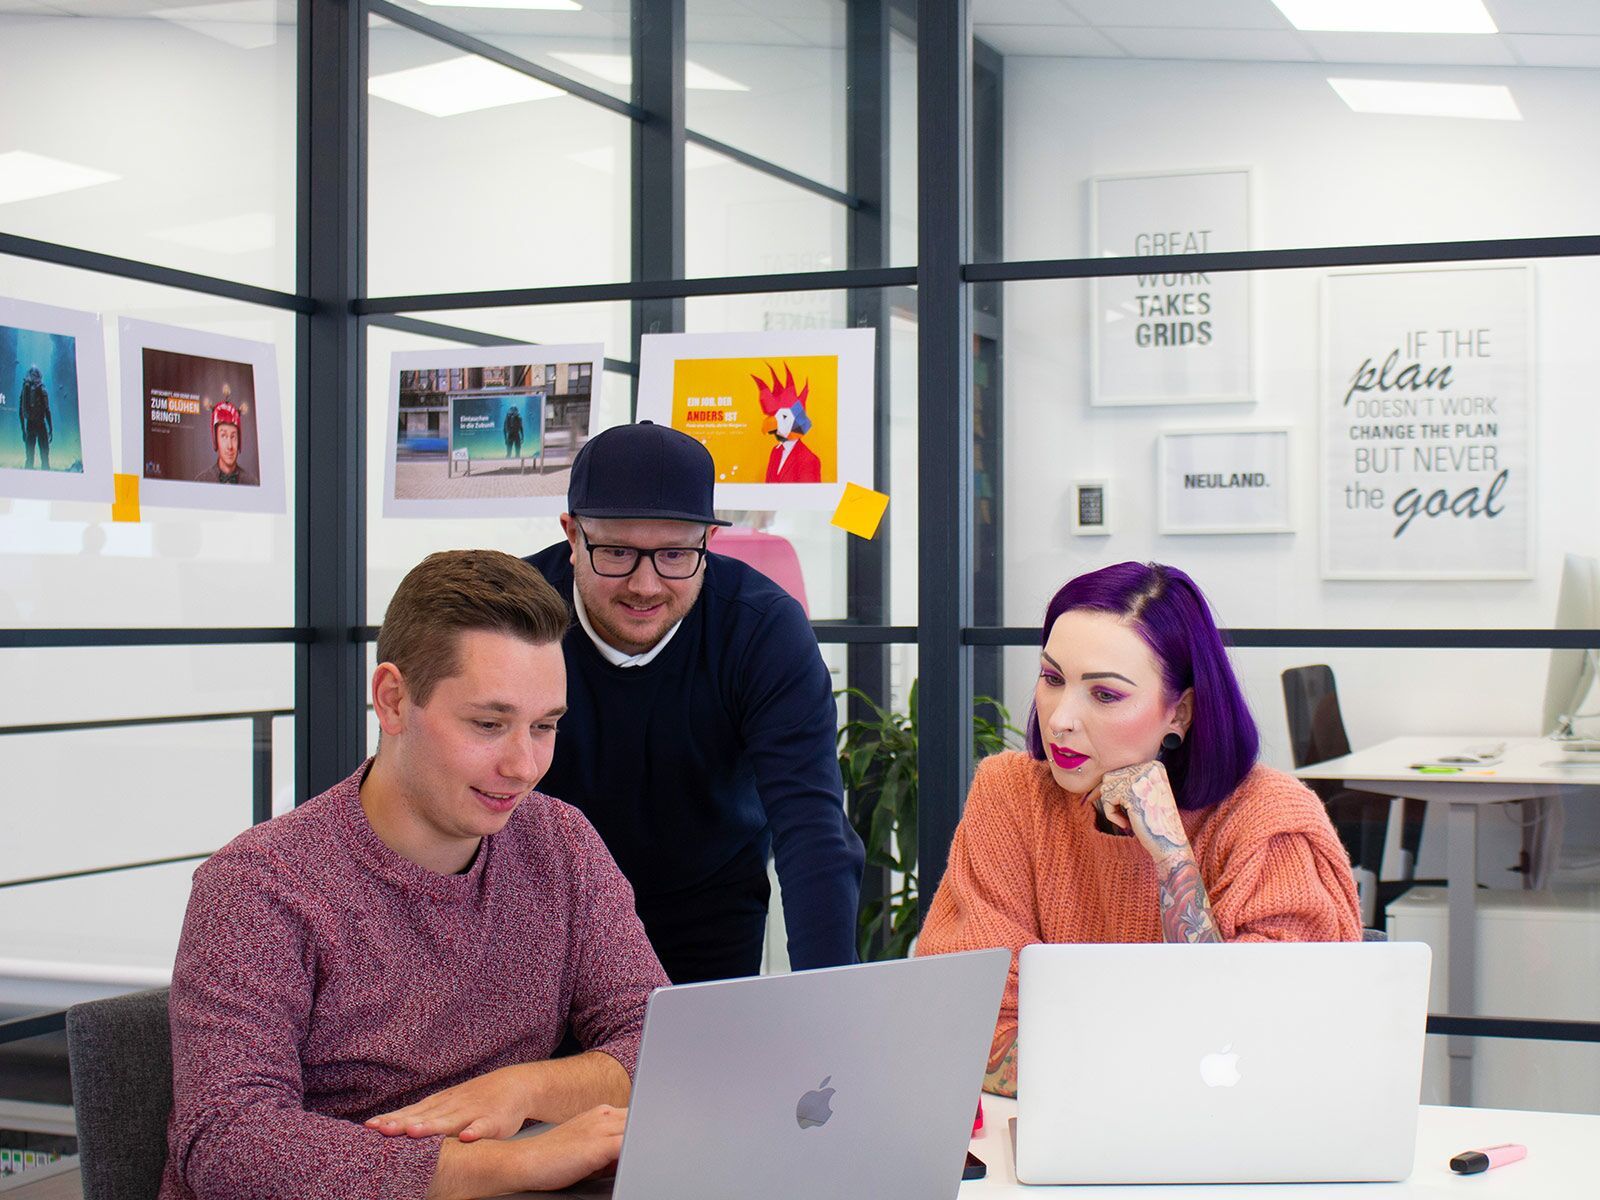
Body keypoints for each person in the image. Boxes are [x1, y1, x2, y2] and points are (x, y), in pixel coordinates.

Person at [160, 550, 669, 1200]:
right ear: (393, 701)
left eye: (544, 727)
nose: (523, 765)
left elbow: (655, 1044)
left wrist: (522, 1090)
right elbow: (230, 1143)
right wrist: (505, 1166)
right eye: (489, 724)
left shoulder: (561, 845)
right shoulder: (260, 886)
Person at [916, 561, 1361, 1097]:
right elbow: (962, 1024)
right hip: (1052, 1146)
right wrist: (1147, 1066)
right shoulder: (1011, 795)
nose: (1060, 718)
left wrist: (1172, 857)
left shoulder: (1269, 821)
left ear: (1181, 712)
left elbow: (1259, 1051)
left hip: (1229, 1157)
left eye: (1104, 695)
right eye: (1053, 679)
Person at [523, 421, 864, 984]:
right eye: (616, 552)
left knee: (698, 1070)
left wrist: (828, 1010)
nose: (646, 585)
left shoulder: (761, 629)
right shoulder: (514, 616)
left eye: (676, 554)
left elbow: (812, 827)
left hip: (708, 902)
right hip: (536, 902)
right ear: (572, 534)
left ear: (709, 540)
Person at [755, 363, 822, 483]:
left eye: (783, 417)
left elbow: (808, 497)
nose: (773, 422)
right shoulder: (775, 452)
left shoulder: (809, 460)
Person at [193, 390, 258, 485]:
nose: (230, 446)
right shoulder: (200, 481)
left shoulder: (252, 483)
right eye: (223, 436)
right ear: (216, 440)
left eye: (233, 437)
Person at [19, 365, 51, 470]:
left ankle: (25, 482)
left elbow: (21, 411)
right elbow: (47, 410)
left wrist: (23, 430)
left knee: (29, 458)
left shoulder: (25, 389)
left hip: (29, 425)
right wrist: (51, 428)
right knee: (45, 457)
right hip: (41, 424)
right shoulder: (41, 388)